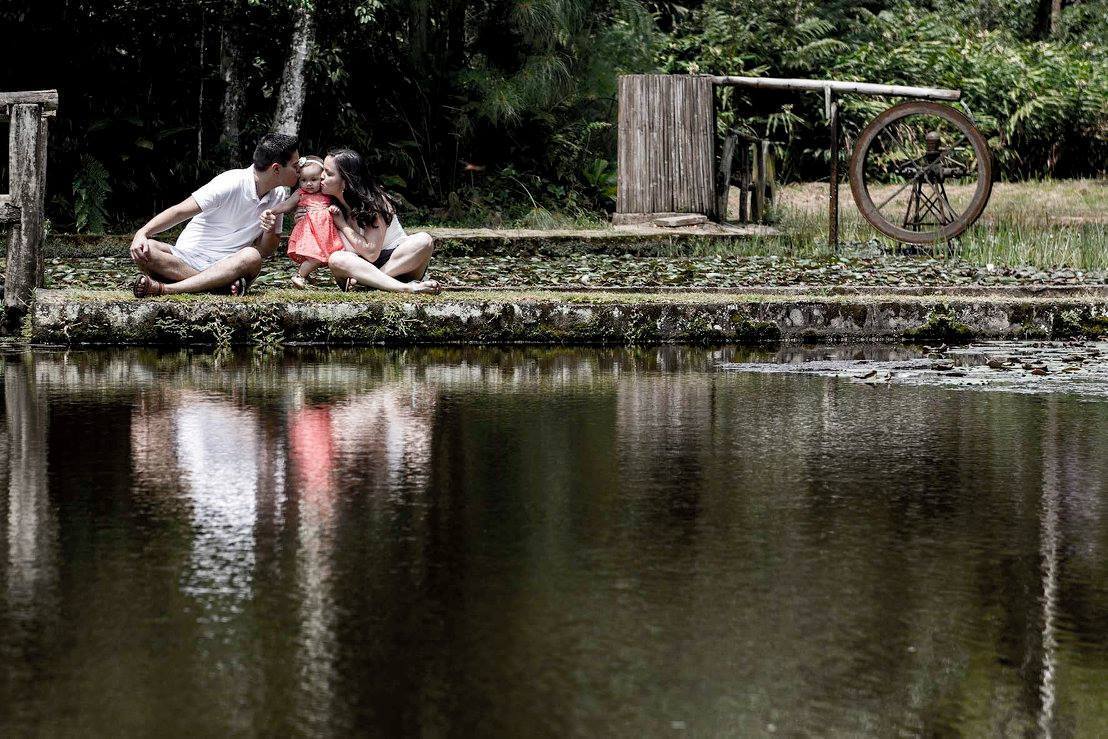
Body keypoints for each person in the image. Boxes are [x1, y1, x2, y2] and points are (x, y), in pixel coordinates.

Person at [129, 133, 301, 297]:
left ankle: (167, 289)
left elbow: (266, 250)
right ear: (276, 169)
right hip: (186, 259)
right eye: (295, 166)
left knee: (252, 257)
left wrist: (269, 229)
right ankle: (220, 286)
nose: (299, 170)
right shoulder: (231, 182)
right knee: (146, 249)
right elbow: (179, 211)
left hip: (230, 265)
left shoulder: (278, 194)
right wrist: (142, 232)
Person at [262, 147, 439, 293]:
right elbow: (322, 244)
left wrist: (342, 224)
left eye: (328, 173)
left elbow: (371, 253)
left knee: (424, 240)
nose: (321, 177)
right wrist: (303, 222)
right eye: (323, 171)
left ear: (345, 181)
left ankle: (378, 283)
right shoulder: (326, 204)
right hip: (358, 268)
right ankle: (401, 287)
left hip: (397, 262)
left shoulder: (374, 202)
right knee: (336, 259)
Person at [265, 156, 343, 289]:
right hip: (308, 233)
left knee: (333, 255)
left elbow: (337, 204)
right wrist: (272, 211)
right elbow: (286, 205)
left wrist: (334, 208)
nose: (308, 184)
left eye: (314, 179)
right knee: (315, 258)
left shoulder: (327, 193)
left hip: (326, 232)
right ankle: (299, 275)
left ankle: (341, 278)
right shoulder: (300, 193)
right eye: (303, 180)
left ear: (322, 178)